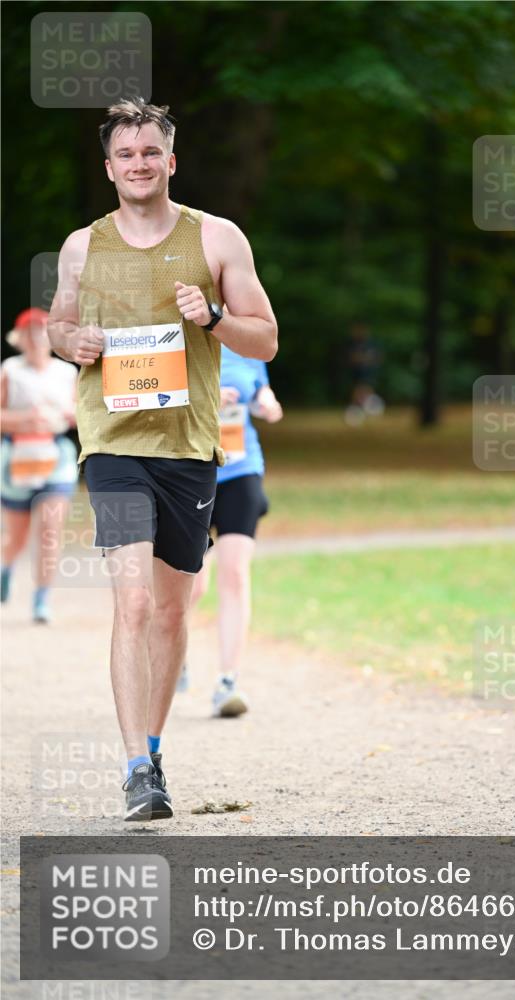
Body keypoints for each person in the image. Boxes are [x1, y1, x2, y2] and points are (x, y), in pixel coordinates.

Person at [47, 97, 278, 822]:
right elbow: (58, 323)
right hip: (112, 444)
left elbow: (265, 339)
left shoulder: (217, 239)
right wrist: (70, 343)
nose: (139, 164)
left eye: (151, 152)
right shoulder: (83, 246)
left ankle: (154, 743)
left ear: (170, 161)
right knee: (134, 600)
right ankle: (137, 769)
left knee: (174, 612)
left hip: (188, 448)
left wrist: (210, 316)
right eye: (126, 154)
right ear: (108, 167)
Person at [181, 347, 283, 716]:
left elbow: (259, 390)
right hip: (190, 472)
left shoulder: (245, 341)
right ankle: (171, 648)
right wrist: (203, 397)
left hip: (242, 468)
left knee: (236, 574)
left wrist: (266, 403)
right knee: (193, 584)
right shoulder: (180, 336)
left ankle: (227, 682)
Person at [1, 307, 78, 623]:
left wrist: (72, 418)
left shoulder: (66, 372)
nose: (36, 338)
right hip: (18, 456)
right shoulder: (10, 369)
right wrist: (23, 420)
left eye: (41, 331)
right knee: (17, 536)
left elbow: (79, 414)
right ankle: (6, 567)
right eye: (30, 332)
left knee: (49, 530)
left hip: (55, 455)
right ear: (20, 339)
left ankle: (41, 597)